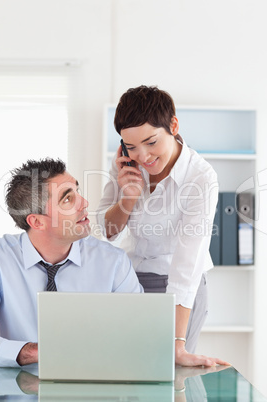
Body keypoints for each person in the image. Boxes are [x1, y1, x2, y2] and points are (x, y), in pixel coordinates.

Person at [97, 85, 228, 367]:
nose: (143, 156)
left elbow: (187, 264)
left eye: (151, 142)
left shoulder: (200, 177)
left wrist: (176, 344)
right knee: (129, 377)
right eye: (131, 146)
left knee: (170, 372)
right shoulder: (126, 164)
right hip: (130, 281)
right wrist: (128, 198)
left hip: (178, 288)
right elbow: (108, 231)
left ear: (173, 125)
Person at [0, 158, 142, 367]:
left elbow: (139, 336)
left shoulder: (113, 263)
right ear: (37, 221)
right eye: (68, 199)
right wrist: (31, 353)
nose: (84, 203)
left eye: (77, 191)